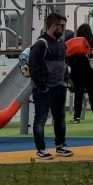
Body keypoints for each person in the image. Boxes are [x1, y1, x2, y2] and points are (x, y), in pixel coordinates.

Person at [28, 13, 74, 159]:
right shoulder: (41, 44)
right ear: (54, 26)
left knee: (60, 118)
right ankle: (41, 149)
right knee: (40, 119)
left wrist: (65, 81)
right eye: (62, 26)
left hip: (59, 87)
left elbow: (64, 64)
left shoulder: (61, 44)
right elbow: (34, 67)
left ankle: (60, 145)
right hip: (45, 89)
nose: (64, 29)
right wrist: (42, 87)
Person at [69, 22, 93, 123]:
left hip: (77, 71)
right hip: (91, 71)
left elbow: (69, 56)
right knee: (92, 94)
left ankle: (77, 117)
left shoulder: (75, 41)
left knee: (78, 94)